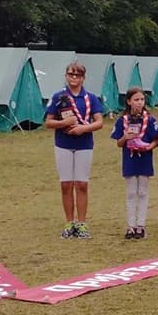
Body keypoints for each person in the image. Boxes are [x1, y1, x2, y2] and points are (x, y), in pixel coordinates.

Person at [44, 61, 105, 239]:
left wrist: (83, 129)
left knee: (82, 184)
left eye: (78, 75)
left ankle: (82, 223)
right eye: (71, 74)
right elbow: (48, 122)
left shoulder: (90, 98)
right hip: (63, 144)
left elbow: (99, 122)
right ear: (66, 76)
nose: (74, 78)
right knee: (66, 185)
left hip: (84, 144)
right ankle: (69, 223)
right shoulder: (58, 97)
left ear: (83, 78)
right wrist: (64, 123)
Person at [110, 87, 158, 240]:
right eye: (136, 100)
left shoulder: (150, 120)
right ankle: (130, 226)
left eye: (142, 99)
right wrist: (125, 137)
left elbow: (156, 140)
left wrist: (149, 146)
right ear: (129, 101)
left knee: (143, 192)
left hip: (144, 159)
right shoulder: (122, 121)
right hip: (130, 159)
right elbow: (119, 143)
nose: (139, 103)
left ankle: (141, 225)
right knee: (131, 193)